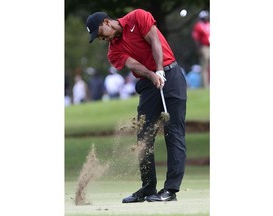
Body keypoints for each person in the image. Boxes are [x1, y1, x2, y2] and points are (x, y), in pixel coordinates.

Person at [85, 9, 187, 203]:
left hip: (171, 77)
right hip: (149, 85)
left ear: (107, 22)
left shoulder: (137, 17)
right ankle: (148, 187)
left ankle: (170, 190)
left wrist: (159, 69)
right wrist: (152, 75)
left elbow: (155, 41)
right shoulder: (113, 51)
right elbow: (133, 65)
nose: (100, 38)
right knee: (144, 135)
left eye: (99, 33)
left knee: (173, 132)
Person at [191, 10, 210, 88]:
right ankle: (205, 85)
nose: (207, 18)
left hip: (210, 46)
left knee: (209, 66)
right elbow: (196, 39)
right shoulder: (198, 26)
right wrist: (199, 49)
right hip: (204, 47)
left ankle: (210, 83)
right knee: (204, 66)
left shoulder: (209, 24)